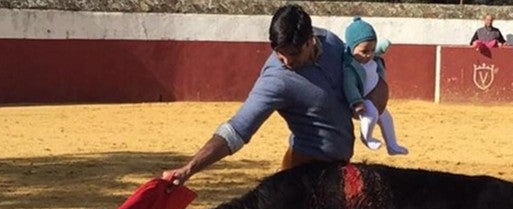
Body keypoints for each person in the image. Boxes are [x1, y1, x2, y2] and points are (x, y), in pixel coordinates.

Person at [163, 4, 359, 186]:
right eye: (279, 53)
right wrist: (189, 168)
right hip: (303, 176)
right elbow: (236, 130)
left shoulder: (331, 43)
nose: (286, 61)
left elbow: (359, 77)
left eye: (293, 54)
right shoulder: (276, 79)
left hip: (340, 169)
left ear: (310, 41)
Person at [342, 17, 408, 155]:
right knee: (371, 114)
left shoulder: (370, 57)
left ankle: (392, 145)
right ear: (351, 48)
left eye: (372, 50)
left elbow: (376, 49)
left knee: (386, 118)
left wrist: (383, 45)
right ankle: (367, 138)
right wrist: (356, 102)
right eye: (364, 51)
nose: (369, 55)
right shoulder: (350, 67)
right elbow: (350, 86)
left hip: (377, 102)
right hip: (363, 102)